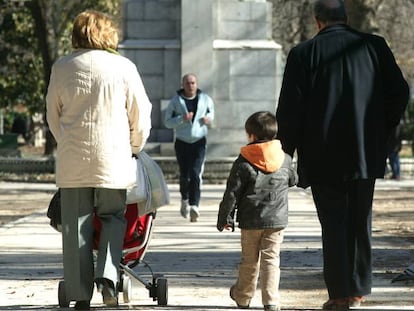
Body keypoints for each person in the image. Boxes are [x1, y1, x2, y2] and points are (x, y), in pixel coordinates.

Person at [275, 0, 409, 309]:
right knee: (360, 222)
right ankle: (359, 290)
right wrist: (382, 131)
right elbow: (399, 93)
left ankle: (338, 294)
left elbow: (290, 111)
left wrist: (285, 153)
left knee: (333, 224)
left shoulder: (303, 53)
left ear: (317, 20)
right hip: (364, 152)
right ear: (346, 19)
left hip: (323, 155)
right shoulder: (374, 46)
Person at [46, 10, 152, 310]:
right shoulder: (124, 67)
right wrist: (134, 146)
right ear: (108, 33)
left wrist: (65, 139)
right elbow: (140, 115)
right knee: (113, 218)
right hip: (113, 157)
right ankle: (107, 277)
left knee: (75, 225)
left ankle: (80, 294)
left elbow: (52, 115)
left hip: (73, 159)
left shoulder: (62, 67)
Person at [216, 111, 297, 311]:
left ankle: (242, 297)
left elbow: (232, 193)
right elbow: (293, 179)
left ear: (251, 135)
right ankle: (270, 300)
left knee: (249, 260)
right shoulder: (285, 159)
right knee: (271, 259)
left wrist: (225, 217)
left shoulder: (244, 161)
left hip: (250, 220)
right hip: (276, 220)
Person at [164, 73, 215, 222]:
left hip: (199, 141)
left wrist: (209, 119)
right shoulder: (176, 101)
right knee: (184, 175)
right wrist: (181, 119)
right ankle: (184, 200)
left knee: (195, 173)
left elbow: (212, 113)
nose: (190, 86)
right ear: (183, 85)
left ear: (196, 84)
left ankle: (195, 205)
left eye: (193, 83)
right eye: (187, 83)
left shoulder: (205, 99)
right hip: (182, 141)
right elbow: (167, 122)